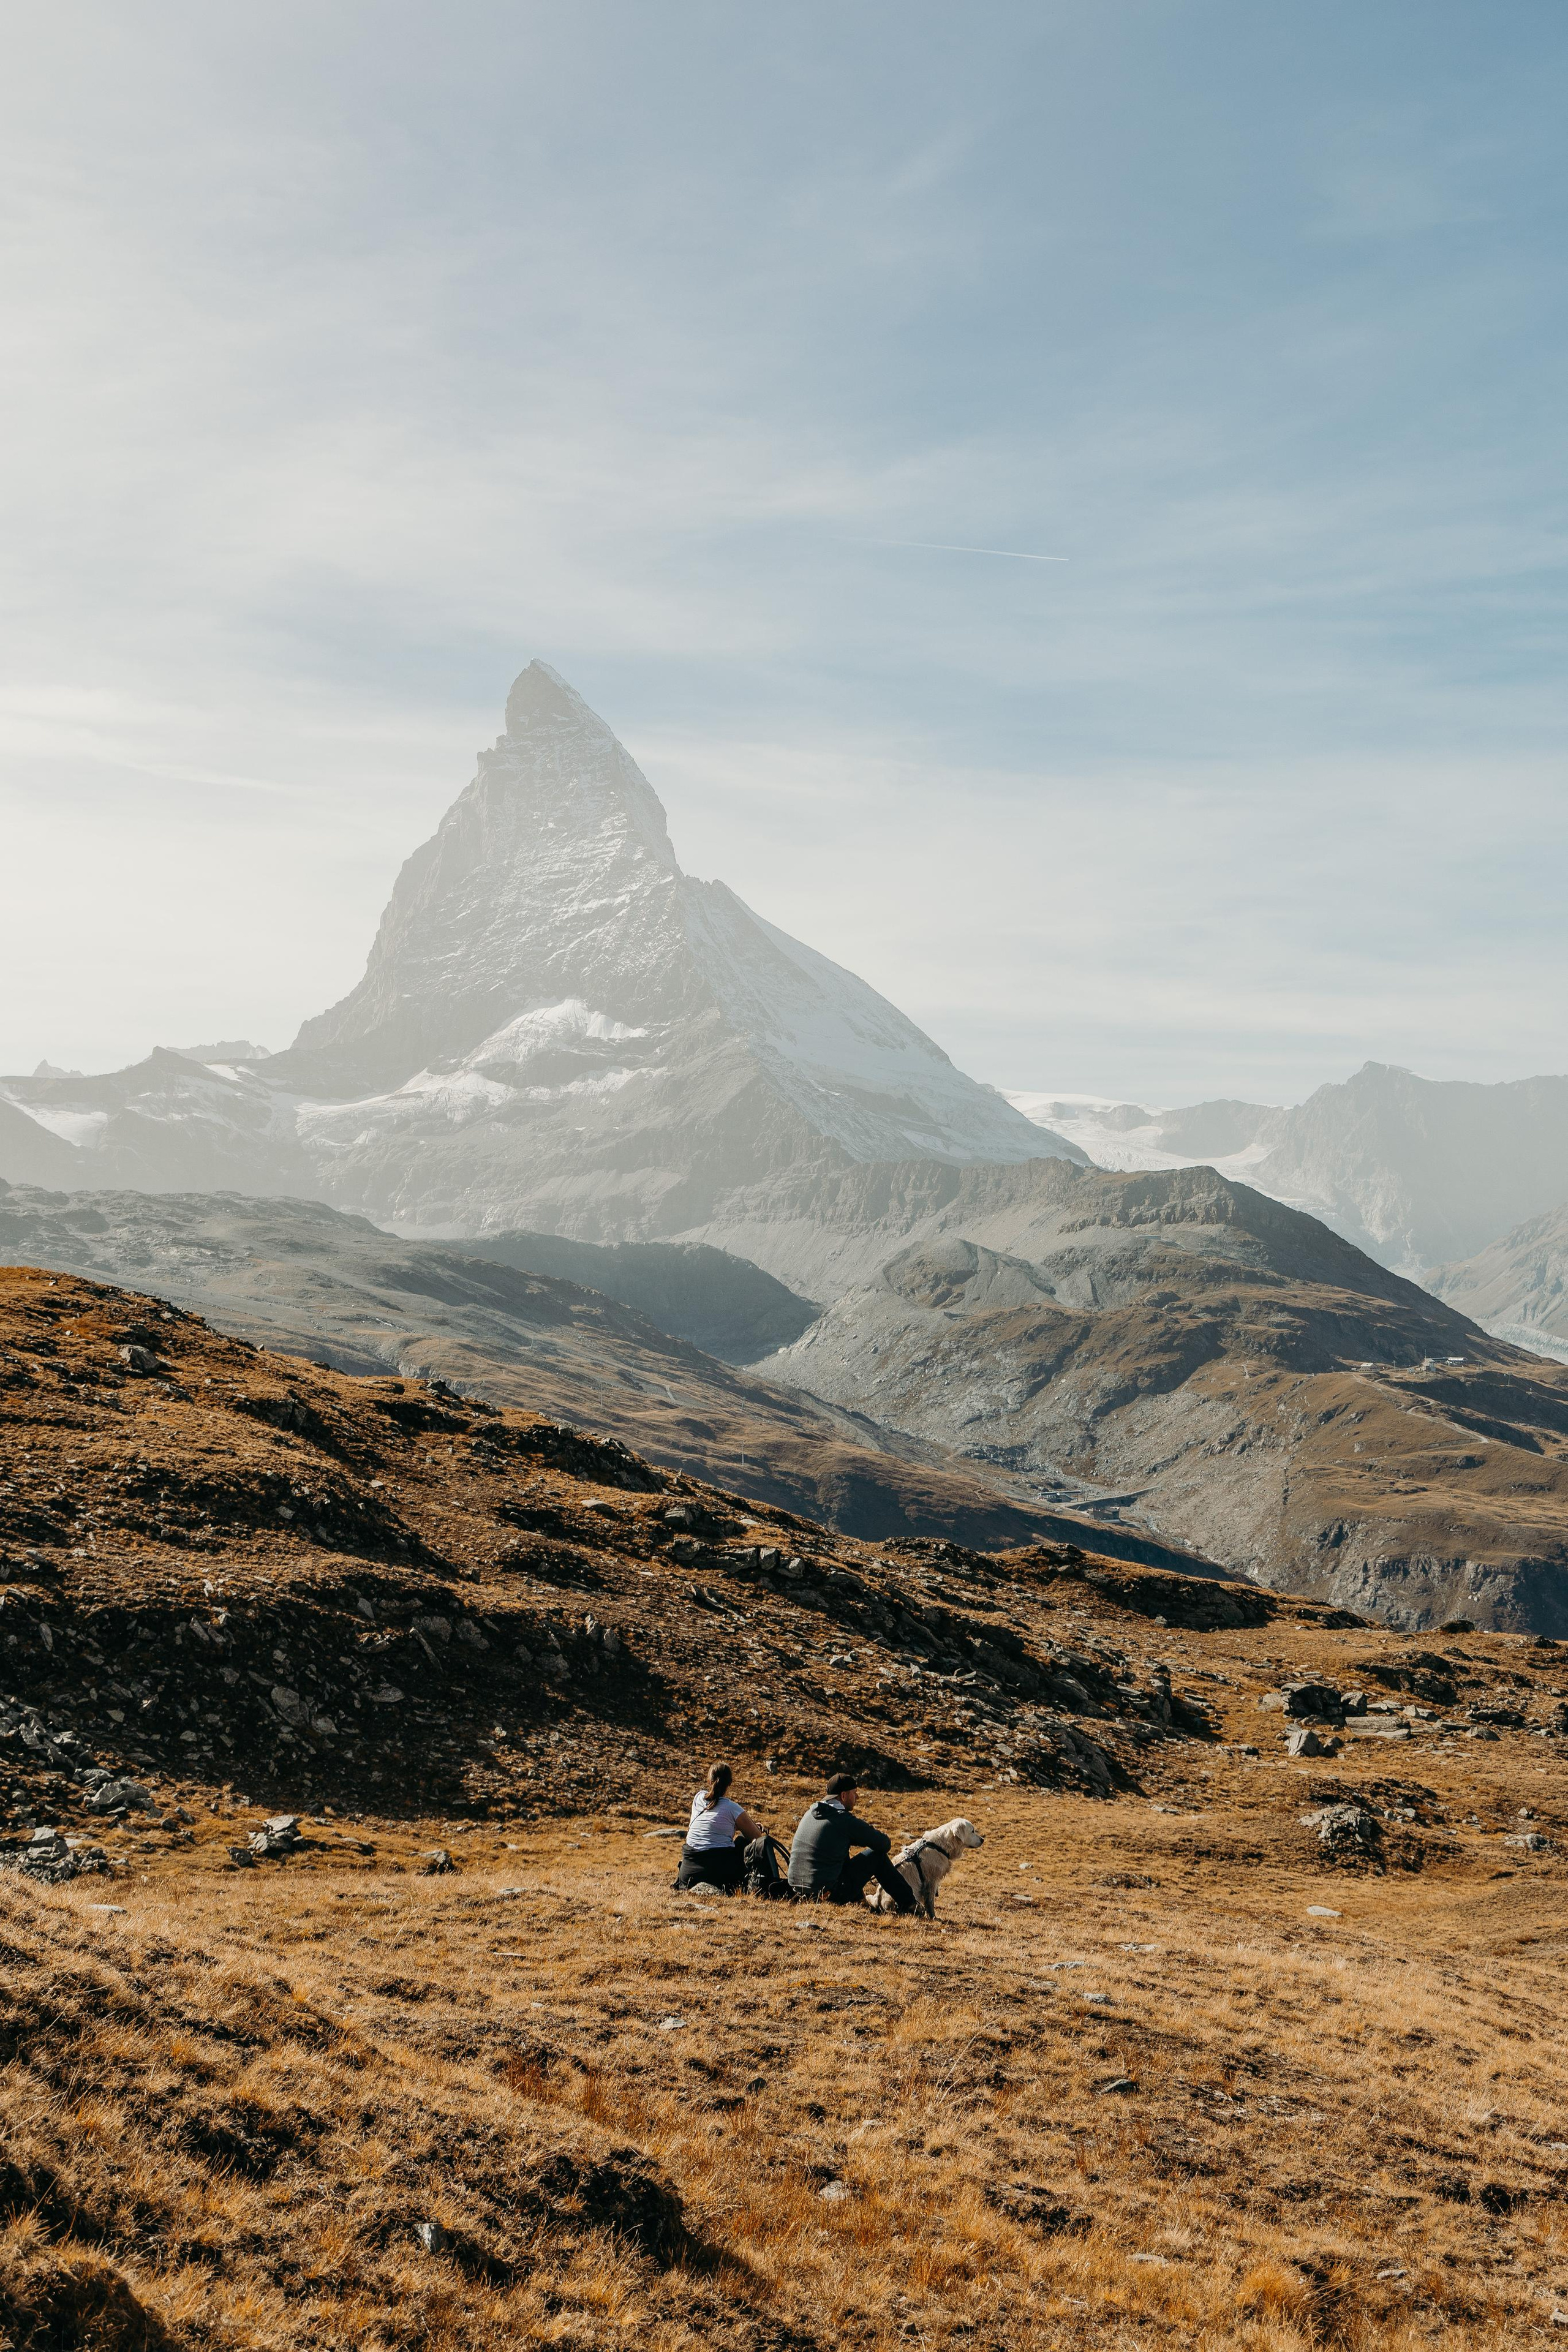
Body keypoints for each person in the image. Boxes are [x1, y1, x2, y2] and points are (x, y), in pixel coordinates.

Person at [786, 1773, 918, 1913]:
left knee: (841, 1852)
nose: (857, 1797)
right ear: (843, 1796)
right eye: (854, 1793)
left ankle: (859, 1901)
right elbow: (884, 1844)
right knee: (876, 1856)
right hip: (827, 1894)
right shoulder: (842, 1819)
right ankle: (910, 1906)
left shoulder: (810, 1813)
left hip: (797, 1889)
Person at [674, 1762, 766, 1895]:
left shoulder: (698, 1798)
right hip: (718, 1876)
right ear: (730, 1783)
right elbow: (757, 1837)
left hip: (688, 1875)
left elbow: (713, 1822)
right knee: (743, 1841)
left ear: (709, 1780)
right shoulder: (732, 1808)